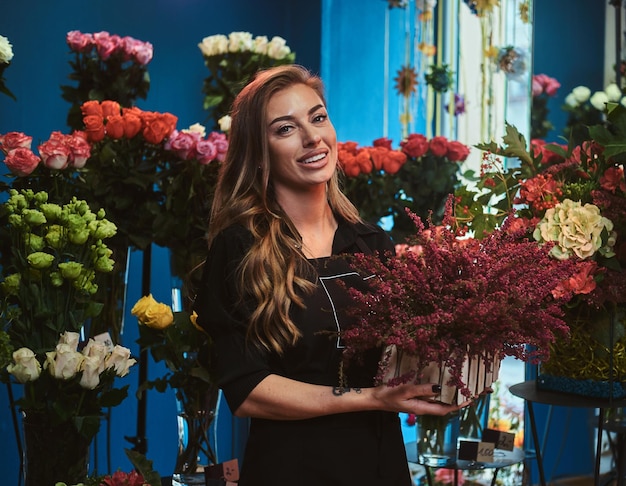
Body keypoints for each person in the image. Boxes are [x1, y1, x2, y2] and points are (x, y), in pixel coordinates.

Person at [194, 64, 465, 485]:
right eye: (285, 129)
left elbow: (397, 362)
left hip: (379, 464)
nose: (312, 137)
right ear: (259, 151)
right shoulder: (239, 248)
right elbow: (247, 391)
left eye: (318, 117)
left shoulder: (372, 244)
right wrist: (371, 398)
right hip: (290, 468)